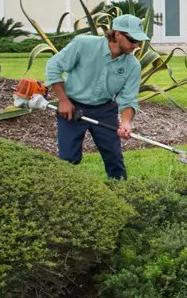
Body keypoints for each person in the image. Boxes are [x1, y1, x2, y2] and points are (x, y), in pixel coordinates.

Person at [44, 14, 148, 180]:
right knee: (68, 159)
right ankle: (63, 195)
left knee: (114, 160)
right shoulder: (83, 44)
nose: (136, 45)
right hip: (72, 107)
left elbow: (129, 99)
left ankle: (121, 194)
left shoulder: (132, 65)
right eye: (133, 40)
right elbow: (53, 66)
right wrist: (63, 100)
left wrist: (126, 122)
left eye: (139, 42)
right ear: (118, 34)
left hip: (104, 109)